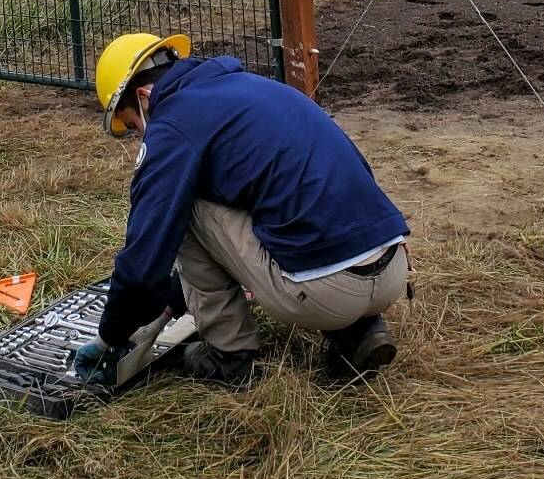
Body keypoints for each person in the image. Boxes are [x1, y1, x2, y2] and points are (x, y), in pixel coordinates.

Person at [70, 32, 410, 387]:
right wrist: (176, 296)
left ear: (143, 97)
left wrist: (110, 336)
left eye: (132, 124)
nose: (140, 135)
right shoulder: (252, 89)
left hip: (326, 291)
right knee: (279, 204)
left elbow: (145, 259)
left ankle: (228, 355)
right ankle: (358, 329)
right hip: (391, 268)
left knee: (185, 204)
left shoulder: (172, 124)